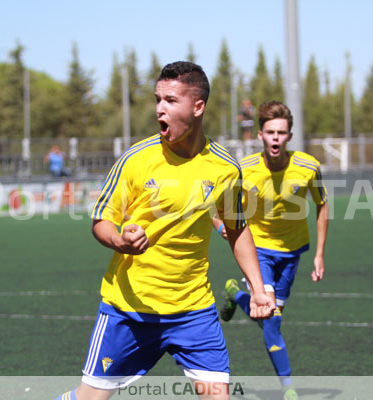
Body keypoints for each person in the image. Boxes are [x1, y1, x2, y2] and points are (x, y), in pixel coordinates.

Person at [54, 61, 274, 400]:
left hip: (193, 310)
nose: (160, 109)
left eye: (171, 100)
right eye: (158, 99)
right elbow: (101, 221)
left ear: (198, 106)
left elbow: (237, 228)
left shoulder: (225, 168)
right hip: (129, 308)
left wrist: (258, 289)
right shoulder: (136, 159)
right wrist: (119, 241)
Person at [213, 101, 329, 400]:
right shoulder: (246, 169)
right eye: (270, 132)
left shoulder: (308, 167)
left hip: (293, 252)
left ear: (289, 136)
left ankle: (235, 295)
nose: (276, 137)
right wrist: (220, 226)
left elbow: (322, 205)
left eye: (281, 132)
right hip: (257, 249)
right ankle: (288, 387)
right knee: (272, 318)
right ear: (260, 135)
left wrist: (319, 254)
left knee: (268, 315)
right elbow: (216, 204)